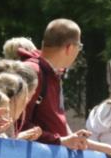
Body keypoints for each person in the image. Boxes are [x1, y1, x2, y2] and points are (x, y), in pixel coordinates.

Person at [19, 19, 91, 150]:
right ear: (69, 48)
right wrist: (60, 140)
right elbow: (18, 125)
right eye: (79, 47)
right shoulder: (33, 72)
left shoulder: (51, 73)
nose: (78, 52)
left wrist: (70, 137)